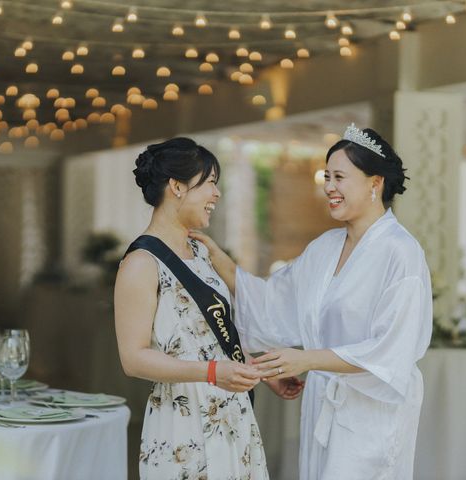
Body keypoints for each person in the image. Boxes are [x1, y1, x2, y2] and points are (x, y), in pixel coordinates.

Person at [191, 124, 433, 479]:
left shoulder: (401, 253)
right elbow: (272, 301)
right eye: (327, 176)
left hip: (372, 414)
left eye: (339, 177)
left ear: (374, 183)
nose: (329, 187)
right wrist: (216, 257)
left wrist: (306, 359)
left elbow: (392, 349)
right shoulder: (325, 246)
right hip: (322, 402)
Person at [114, 137, 270, 479]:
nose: (216, 195)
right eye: (210, 183)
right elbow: (133, 358)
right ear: (177, 186)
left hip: (231, 412)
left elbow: (209, 338)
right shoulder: (141, 263)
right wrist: (213, 372)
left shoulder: (201, 254)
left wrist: (257, 371)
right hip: (182, 420)